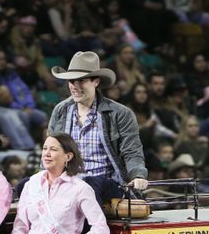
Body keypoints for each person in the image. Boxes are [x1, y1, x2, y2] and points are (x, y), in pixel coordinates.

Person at [46, 50, 148, 203]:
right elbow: (51, 151)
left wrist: (138, 175)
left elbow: (132, 151)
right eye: (71, 81)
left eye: (81, 81)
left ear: (96, 82)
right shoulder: (61, 111)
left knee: (91, 185)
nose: (75, 86)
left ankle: (93, 226)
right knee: (25, 185)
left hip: (107, 184)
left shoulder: (120, 113)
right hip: (69, 183)